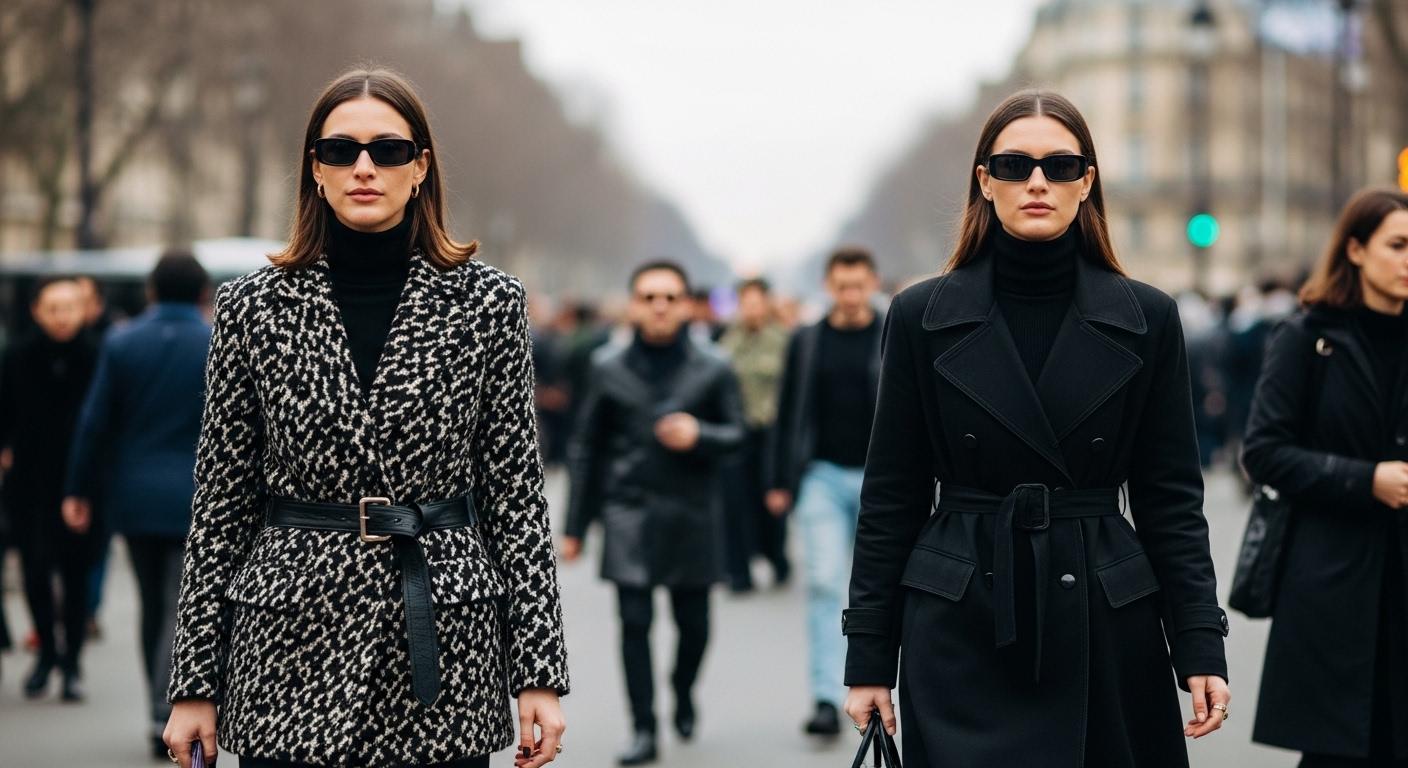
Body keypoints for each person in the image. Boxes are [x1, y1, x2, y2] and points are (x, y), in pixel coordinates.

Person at [162, 67, 569, 768]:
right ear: (314, 170)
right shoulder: (251, 307)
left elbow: (516, 496)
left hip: (442, 634)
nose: (363, 168)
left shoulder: (489, 303)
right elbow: (221, 503)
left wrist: (538, 671)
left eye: (387, 150)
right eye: (339, 150)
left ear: (421, 168)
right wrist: (194, 682)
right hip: (288, 638)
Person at [842, 90, 1231, 767]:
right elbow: (892, 496)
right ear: (985, 182)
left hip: (1103, 617)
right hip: (962, 614)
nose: (1038, 183)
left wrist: (1199, 641)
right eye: (1015, 165)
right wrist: (869, 655)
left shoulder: (1148, 318)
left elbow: (1171, 498)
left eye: (1060, 165)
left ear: (1088, 182)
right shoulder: (918, 317)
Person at [1242, 188, 1408, 767]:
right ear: (1357, 250)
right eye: (1399, 245)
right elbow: (1263, 450)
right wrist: (1366, 480)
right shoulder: (1307, 337)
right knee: (1339, 754)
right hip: (1334, 581)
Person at [561, 261, 744, 766]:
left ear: (686, 305)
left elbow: (738, 436)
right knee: (634, 621)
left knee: (695, 625)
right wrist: (574, 527)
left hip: (692, 510)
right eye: (648, 297)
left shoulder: (714, 367)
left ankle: (683, 689)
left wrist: (700, 434)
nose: (659, 306)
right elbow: (585, 448)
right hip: (629, 510)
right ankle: (643, 726)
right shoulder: (606, 367)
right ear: (633, 305)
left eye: (669, 297)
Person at [62, 250, 213, 759]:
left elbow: (93, 423)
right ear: (202, 293)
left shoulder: (122, 342)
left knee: (153, 604)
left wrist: (77, 490)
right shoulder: (215, 340)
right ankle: (163, 708)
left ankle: (158, 705)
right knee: (179, 602)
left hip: (135, 496)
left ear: (150, 290)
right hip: (199, 495)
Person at [768, 248, 884, 735]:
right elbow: (788, 409)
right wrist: (778, 479)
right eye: (842, 285)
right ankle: (823, 696)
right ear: (828, 286)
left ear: (872, 283)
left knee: (883, 588)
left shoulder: (894, 334)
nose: (851, 295)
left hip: (884, 481)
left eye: (859, 284)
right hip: (820, 475)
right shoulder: (807, 340)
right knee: (823, 582)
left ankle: (881, 688)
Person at [0, 276, 99, 702]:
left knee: (76, 574)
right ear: (37, 311)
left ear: (84, 310)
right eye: (52, 308)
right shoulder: (16, 355)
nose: (61, 317)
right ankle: (47, 652)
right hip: (28, 482)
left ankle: (73, 661)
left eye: (69, 307)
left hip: (81, 484)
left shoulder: (98, 355)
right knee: (36, 571)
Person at [717, 278, 791, 592]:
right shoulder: (726, 343)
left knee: (771, 502)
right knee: (735, 502)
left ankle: (776, 557)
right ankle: (738, 572)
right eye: (746, 303)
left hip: (772, 433)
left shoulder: (784, 341)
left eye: (757, 302)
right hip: (737, 432)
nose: (752, 309)